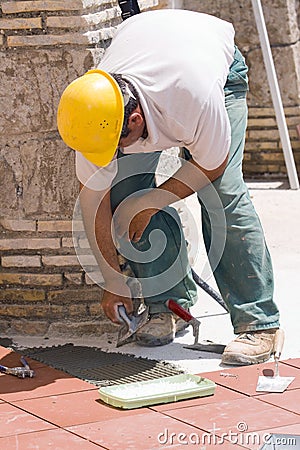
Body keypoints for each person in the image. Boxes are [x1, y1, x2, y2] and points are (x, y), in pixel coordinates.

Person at [57, 8, 280, 365]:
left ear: (135, 119)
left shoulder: (190, 97)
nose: (118, 152)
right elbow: (94, 202)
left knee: (224, 196)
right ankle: (169, 306)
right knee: (123, 193)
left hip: (215, 71)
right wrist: (112, 280)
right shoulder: (95, 112)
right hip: (154, 51)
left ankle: (259, 323)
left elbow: (211, 164)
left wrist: (153, 202)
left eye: (123, 140)